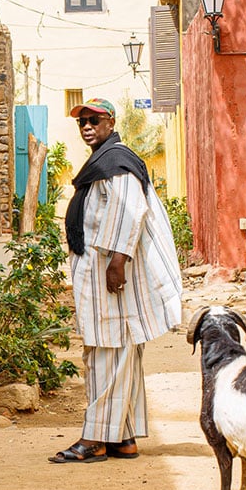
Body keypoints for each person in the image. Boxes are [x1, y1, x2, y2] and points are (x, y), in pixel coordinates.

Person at [49, 98, 182, 464]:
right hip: (100, 272)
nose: (87, 127)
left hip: (110, 274)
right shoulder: (104, 162)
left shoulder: (117, 163)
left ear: (111, 122)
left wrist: (117, 262)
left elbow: (129, 212)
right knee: (113, 350)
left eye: (94, 120)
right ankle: (123, 437)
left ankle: (94, 439)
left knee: (109, 351)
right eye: (82, 122)